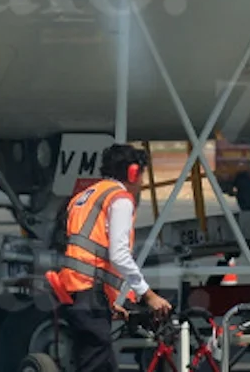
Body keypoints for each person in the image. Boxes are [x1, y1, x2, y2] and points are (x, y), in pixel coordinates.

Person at [51, 144, 172, 372]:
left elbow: (92, 253)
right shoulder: (119, 199)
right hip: (88, 291)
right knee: (98, 364)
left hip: (76, 288)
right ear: (133, 172)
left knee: (96, 359)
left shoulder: (85, 196)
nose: (143, 183)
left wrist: (113, 300)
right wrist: (148, 294)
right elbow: (118, 255)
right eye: (142, 175)